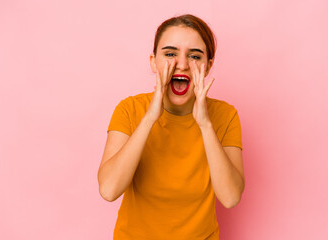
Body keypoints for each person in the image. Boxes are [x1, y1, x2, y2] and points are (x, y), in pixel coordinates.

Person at [97, 14, 245, 240]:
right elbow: (108, 190)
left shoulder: (226, 116)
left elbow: (231, 197)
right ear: (153, 61)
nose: (182, 64)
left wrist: (205, 124)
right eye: (170, 54)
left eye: (195, 56)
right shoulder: (129, 110)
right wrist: (149, 118)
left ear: (208, 67)